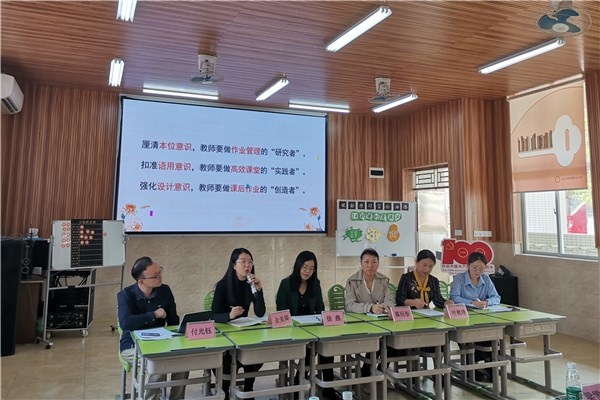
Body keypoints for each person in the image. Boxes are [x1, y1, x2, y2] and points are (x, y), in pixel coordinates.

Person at [117, 256, 188, 400]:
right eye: (155, 275)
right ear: (141, 281)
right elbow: (125, 323)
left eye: (160, 272)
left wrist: (179, 335)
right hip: (132, 345)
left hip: (160, 343)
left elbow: (173, 320)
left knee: (183, 363)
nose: (160, 277)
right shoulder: (126, 295)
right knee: (158, 366)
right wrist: (153, 315)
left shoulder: (165, 291)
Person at [275, 251, 336, 400]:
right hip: (292, 329)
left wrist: (321, 320)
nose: (307, 271)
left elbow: (320, 308)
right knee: (310, 348)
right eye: (305, 267)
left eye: (311, 268)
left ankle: (328, 385)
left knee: (326, 343)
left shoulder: (315, 284)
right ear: (298, 266)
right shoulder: (286, 284)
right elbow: (281, 311)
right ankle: (298, 381)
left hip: (312, 327)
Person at [212, 248, 266, 400]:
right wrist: (229, 316)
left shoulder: (251, 284)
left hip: (243, 331)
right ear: (234, 265)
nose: (247, 265)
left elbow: (260, 313)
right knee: (226, 362)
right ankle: (225, 390)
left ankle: (248, 389)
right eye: (243, 262)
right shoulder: (222, 285)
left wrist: (259, 290)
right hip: (225, 333)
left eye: (250, 262)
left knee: (257, 353)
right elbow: (213, 315)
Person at [449, 251, 501, 382]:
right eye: (474, 267)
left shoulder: (486, 279)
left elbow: (496, 297)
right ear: (468, 266)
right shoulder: (459, 278)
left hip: (483, 318)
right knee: (471, 340)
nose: (478, 271)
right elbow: (454, 297)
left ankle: (490, 367)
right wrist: (472, 303)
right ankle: (471, 369)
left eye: (481, 268)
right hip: (464, 319)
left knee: (491, 338)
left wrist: (487, 302)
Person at [345, 248, 396, 377]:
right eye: (366, 262)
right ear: (361, 263)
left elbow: (390, 301)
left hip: (381, 322)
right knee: (376, 340)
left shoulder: (384, 280)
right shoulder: (352, 281)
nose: (370, 266)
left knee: (391, 339)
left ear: (378, 264)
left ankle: (379, 371)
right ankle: (367, 371)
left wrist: (386, 307)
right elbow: (350, 305)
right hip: (359, 323)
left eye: (374, 262)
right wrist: (370, 308)